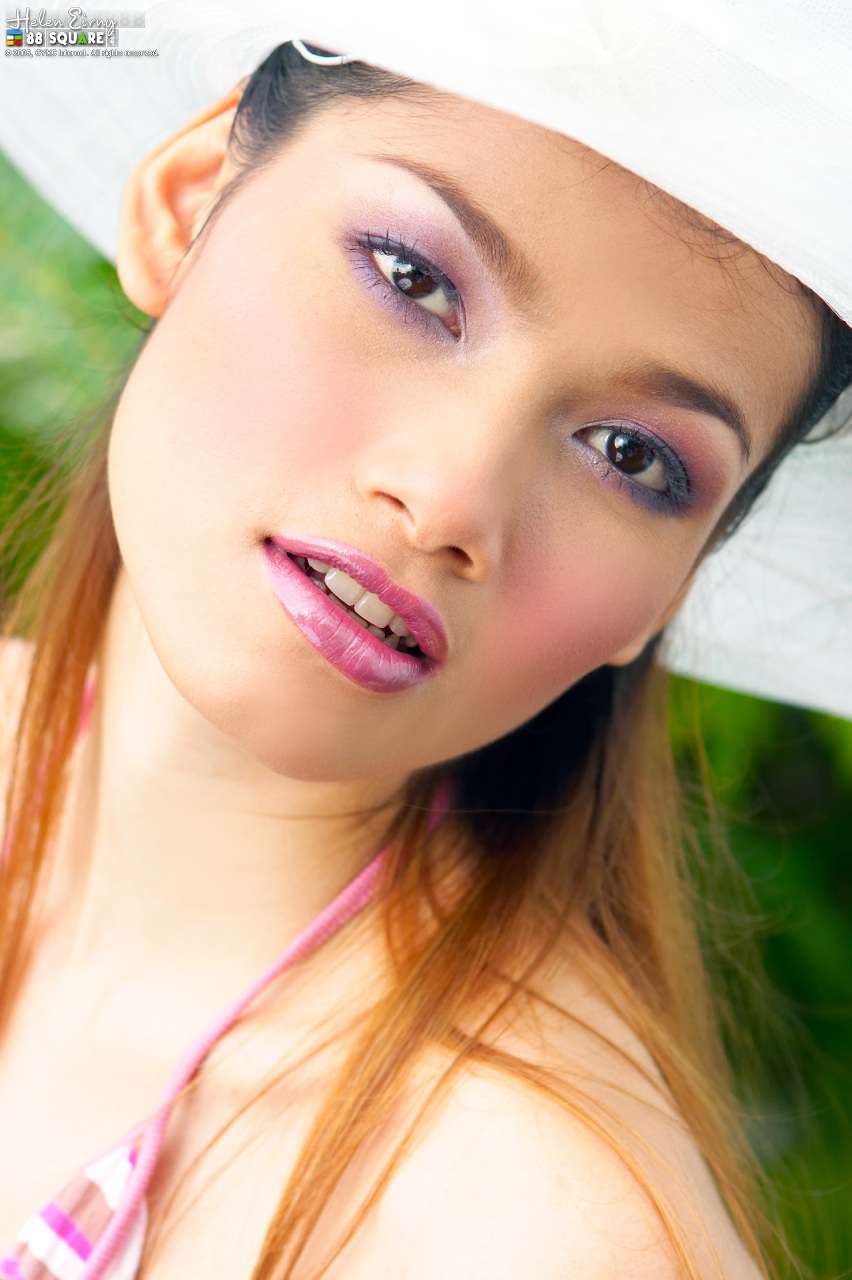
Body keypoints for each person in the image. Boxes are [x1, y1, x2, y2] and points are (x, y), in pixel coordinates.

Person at [0, 27, 850, 1280]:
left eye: (632, 457)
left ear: (668, 591)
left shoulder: (537, 1231)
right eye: (412, 277)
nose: (453, 496)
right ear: (186, 205)